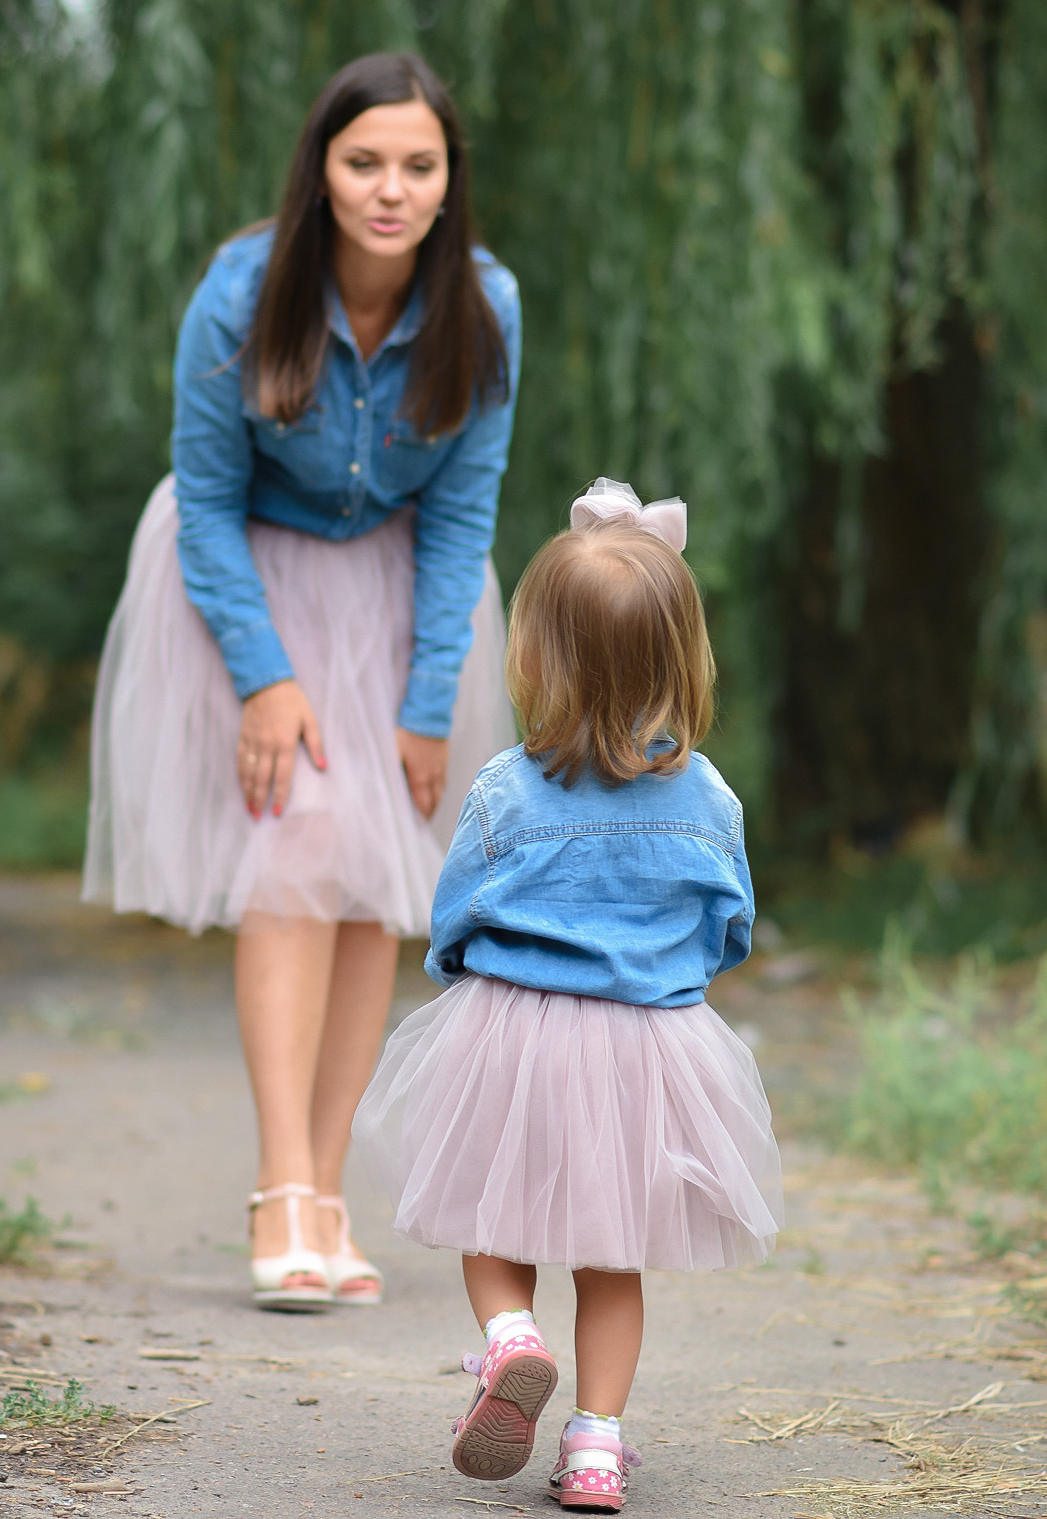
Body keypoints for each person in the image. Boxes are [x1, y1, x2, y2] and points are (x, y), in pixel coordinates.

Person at [82, 53, 520, 1311]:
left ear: (447, 181)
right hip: (248, 585)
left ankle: (330, 1193)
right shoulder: (242, 289)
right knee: (292, 852)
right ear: (321, 170)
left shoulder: (484, 304)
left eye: (417, 166)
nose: (390, 189)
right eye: (363, 162)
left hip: (398, 597)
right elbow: (206, 506)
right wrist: (265, 680)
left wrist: (425, 704)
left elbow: (460, 515)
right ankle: (281, 1187)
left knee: (374, 874)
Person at [353, 478, 783, 1509]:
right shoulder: (708, 796)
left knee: (490, 1224)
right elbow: (727, 926)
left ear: (534, 654)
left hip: (512, 1033)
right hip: (647, 1046)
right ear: (682, 657)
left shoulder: (506, 785)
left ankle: (508, 1341)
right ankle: (594, 1445)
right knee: (611, 1257)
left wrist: (461, 986)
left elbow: (453, 917)